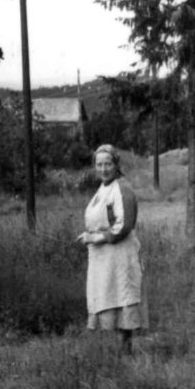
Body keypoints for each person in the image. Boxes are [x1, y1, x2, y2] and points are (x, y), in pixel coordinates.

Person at [76, 144, 148, 354]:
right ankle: (116, 352)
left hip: (120, 254)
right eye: (99, 164)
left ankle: (125, 351)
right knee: (109, 295)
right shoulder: (103, 188)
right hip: (104, 256)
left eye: (108, 164)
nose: (103, 169)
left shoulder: (122, 188)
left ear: (116, 165)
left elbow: (124, 225)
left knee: (122, 295)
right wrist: (90, 237)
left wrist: (96, 237)